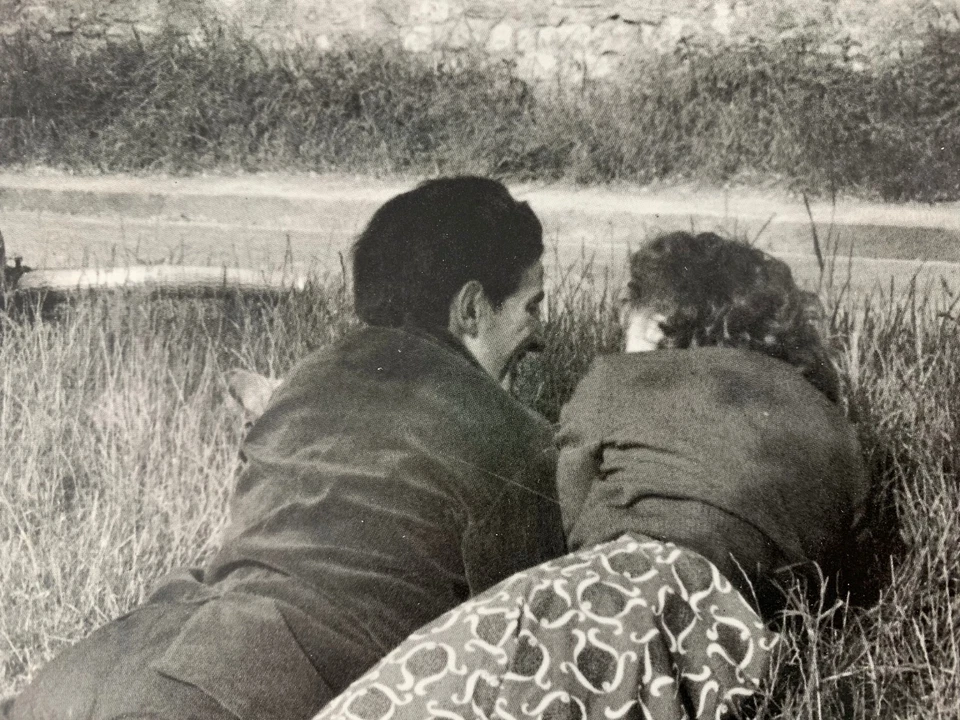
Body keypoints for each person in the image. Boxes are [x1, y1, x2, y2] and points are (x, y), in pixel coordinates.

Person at [4, 177, 566, 720]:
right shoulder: (519, 439)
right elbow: (534, 644)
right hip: (234, 698)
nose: (539, 336)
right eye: (531, 307)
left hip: (102, 666)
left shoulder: (308, 377)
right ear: (471, 308)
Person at [310, 231, 875, 720]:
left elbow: (566, 505)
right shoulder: (834, 430)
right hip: (731, 642)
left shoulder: (621, 380)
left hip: (610, 592)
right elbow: (839, 559)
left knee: (418, 691)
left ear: (662, 326)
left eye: (630, 328)